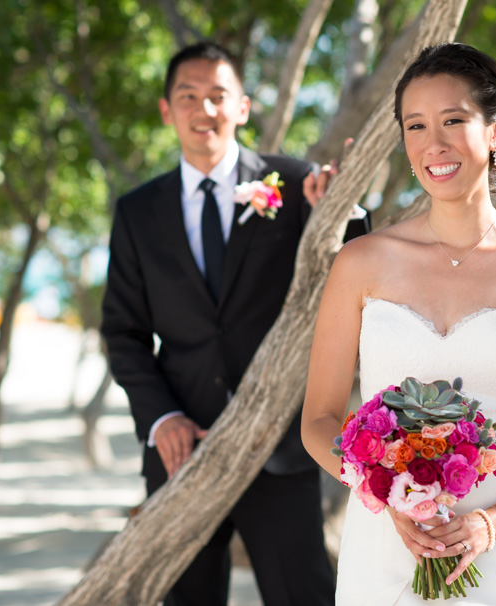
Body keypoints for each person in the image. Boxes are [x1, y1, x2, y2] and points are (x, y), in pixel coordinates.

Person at [301, 42, 496, 605]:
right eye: (416, 126)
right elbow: (319, 421)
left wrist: (495, 521)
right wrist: (383, 494)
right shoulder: (360, 262)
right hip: (385, 544)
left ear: (495, 132)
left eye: (454, 120)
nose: (434, 144)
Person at [101, 41, 368, 606]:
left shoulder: (296, 185)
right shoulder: (137, 211)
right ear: (166, 110)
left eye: (218, 96)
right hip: (182, 449)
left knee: (305, 595)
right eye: (188, 97)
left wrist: (344, 215)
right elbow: (122, 331)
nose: (205, 110)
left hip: (277, 445)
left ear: (242, 107)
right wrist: (161, 416)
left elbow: (358, 276)